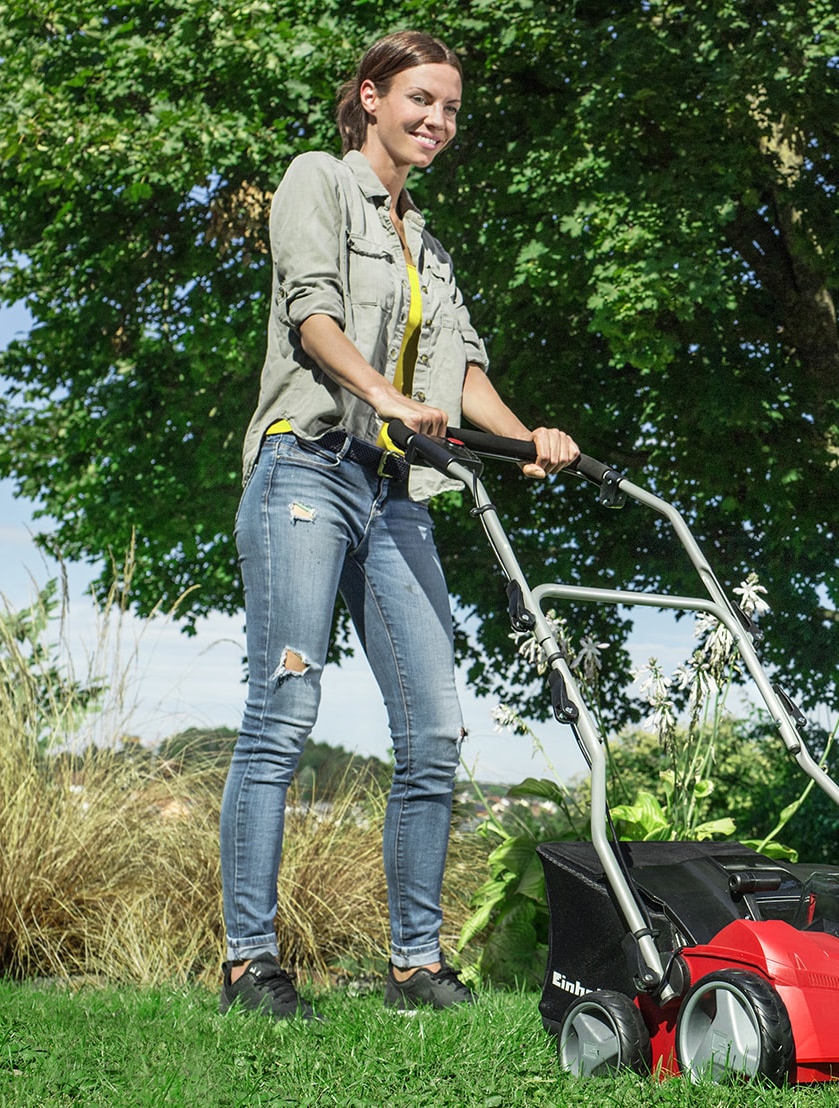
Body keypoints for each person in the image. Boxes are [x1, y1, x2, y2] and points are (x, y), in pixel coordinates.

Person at [221, 30, 577, 1020]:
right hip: (309, 462)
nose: (438, 121)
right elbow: (312, 318)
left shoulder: (428, 243)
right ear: (370, 96)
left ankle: (415, 966)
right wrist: (384, 395)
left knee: (433, 727)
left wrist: (533, 434)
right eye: (421, 99)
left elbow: (460, 378)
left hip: (398, 494)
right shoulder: (319, 184)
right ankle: (250, 961)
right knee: (283, 713)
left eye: (452, 108)